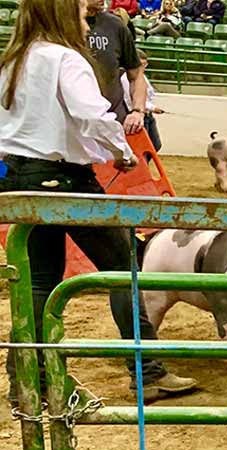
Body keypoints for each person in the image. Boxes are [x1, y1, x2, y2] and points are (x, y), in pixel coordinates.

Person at [0, 0, 198, 405]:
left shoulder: (13, 61)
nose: (84, 14)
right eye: (77, 9)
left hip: (20, 179)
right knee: (123, 267)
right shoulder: (66, 59)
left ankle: (29, 377)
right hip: (66, 179)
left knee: (40, 280)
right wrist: (121, 150)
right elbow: (92, 116)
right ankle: (148, 373)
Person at [86, 0, 146, 134]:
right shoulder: (59, 28)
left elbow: (136, 75)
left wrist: (137, 111)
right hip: (76, 123)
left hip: (113, 119)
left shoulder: (115, 25)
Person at [122, 50, 164, 150]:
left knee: (155, 145)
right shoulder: (126, 79)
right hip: (137, 116)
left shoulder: (143, 77)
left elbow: (149, 94)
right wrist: (153, 108)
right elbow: (132, 98)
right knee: (142, 146)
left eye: (145, 64)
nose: (143, 67)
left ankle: (144, 164)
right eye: (141, 64)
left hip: (147, 115)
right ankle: (142, 164)